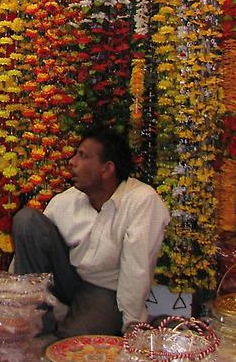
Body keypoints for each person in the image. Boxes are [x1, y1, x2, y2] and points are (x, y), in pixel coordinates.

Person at [11, 127, 170, 337]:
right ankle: (37, 321)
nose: (72, 162)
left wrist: (132, 325)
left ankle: (75, 326)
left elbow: (137, 268)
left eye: (82, 156)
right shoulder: (66, 201)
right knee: (26, 220)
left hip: (105, 288)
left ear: (107, 169)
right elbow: (29, 250)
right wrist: (11, 301)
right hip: (68, 278)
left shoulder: (142, 200)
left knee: (73, 346)